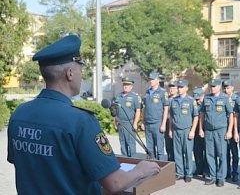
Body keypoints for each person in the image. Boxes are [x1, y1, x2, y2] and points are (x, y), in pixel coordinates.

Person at [7, 35, 160, 195]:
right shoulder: (81, 121)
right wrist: (141, 170)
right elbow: (115, 182)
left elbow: (23, 163)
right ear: (70, 73)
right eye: (81, 69)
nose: (82, 75)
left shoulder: (19, 114)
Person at [200, 79, 233, 187]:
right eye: (211, 86)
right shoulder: (207, 98)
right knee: (210, 154)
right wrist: (201, 128)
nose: (212, 88)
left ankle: (221, 177)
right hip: (209, 130)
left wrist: (229, 131)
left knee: (221, 154)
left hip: (221, 130)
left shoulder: (225, 98)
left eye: (214, 86)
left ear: (219, 87)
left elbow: (231, 115)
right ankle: (213, 176)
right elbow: (202, 114)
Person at [169, 79, 199, 183]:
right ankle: (180, 173)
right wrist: (170, 130)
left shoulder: (191, 101)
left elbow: (196, 116)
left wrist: (192, 131)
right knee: (178, 153)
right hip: (176, 130)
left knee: (187, 153)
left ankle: (188, 173)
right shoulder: (174, 100)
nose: (179, 89)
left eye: (181, 87)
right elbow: (171, 117)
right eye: (178, 87)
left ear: (186, 88)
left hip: (187, 130)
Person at [142, 71, 169, 160]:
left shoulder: (162, 92)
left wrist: (163, 124)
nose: (151, 81)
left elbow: (166, 108)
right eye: (150, 79)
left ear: (157, 80)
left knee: (160, 148)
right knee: (150, 149)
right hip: (148, 123)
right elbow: (145, 108)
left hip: (158, 123)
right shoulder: (147, 92)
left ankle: (161, 168)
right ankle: (151, 166)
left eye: (153, 79)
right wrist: (143, 122)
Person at [115, 77, 141, 157]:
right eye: (124, 84)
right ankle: (125, 162)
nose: (125, 86)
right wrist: (115, 122)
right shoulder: (119, 96)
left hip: (129, 123)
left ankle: (133, 162)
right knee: (122, 143)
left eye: (127, 85)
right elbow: (115, 111)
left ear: (131, 86)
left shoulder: (134, 97)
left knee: (131, 144)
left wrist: (135, 123)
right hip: (120, 123)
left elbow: (138, 110)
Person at [223, 80, 239, 182]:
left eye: (228, 87)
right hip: (223, 127)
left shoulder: (237, 99)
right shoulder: (221, 98)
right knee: (225, 152)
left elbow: (237, 115)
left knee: (234, 153)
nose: (226, 90)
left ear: (232, 88)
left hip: (233, 129)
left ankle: (235, 172)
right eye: (224, 88)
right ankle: (227, 172)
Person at [192, 87, 209, 178]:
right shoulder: (193, 105)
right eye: (196, 99)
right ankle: (199, 168)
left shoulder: (207, 104)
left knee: (207, 151)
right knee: (197, 151)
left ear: (203, 96)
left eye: (199, 99)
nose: (198, 101)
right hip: (195, 132)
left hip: (205, 131)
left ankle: (206, 170)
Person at [165, 80, 178, 161]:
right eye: (170, 88)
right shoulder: (167, 99)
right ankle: (170, 161)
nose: (172, 89)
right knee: (168, 145)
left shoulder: (178, 99)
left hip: (176, 124)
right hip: (167, 123)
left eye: (174, 88)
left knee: (176, 146)